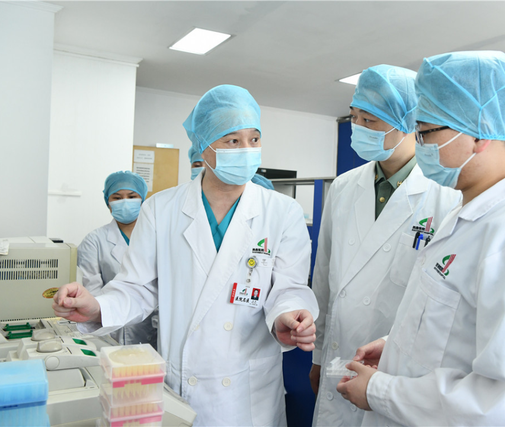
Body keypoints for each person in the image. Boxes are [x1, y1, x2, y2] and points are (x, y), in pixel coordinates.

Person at [337, 51, 505, 426]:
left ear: (479, 133)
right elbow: (454, 331)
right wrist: (396, 349)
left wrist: (380, 391)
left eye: (426, 132)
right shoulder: (465, 216)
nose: (419, 145)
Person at [53, 85, 319, 426]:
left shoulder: (283, 211)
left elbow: (289, 287)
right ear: (204, 145)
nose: (246, 150)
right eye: (232, 140)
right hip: (185, 382)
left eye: (254, 139)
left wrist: (287, 315)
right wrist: (98, 306)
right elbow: (137, 287)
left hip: (248, 392)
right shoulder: (161, 209)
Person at [310, 64, 461, 427]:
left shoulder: (446, 195)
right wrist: (317, 357)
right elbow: (324, 277)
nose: (358, 128)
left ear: (408, 123)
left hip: (398, 371)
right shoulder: (343, 187)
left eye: (370, 120)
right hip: (337, 358)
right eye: (354, 117)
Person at [76, 171, 157, 347]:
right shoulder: (94, 240)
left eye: (132, 196)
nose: (125, 202)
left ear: (142, 200)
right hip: (110, 331)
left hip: (152, 329)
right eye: (117, 197)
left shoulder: (156, 237)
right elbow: (91, 291)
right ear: (108, 202)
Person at [190, 144, 275, 190]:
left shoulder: (259, 185)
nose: (203, 169)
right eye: (197, 165)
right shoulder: (185, 193)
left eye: (254, 139)